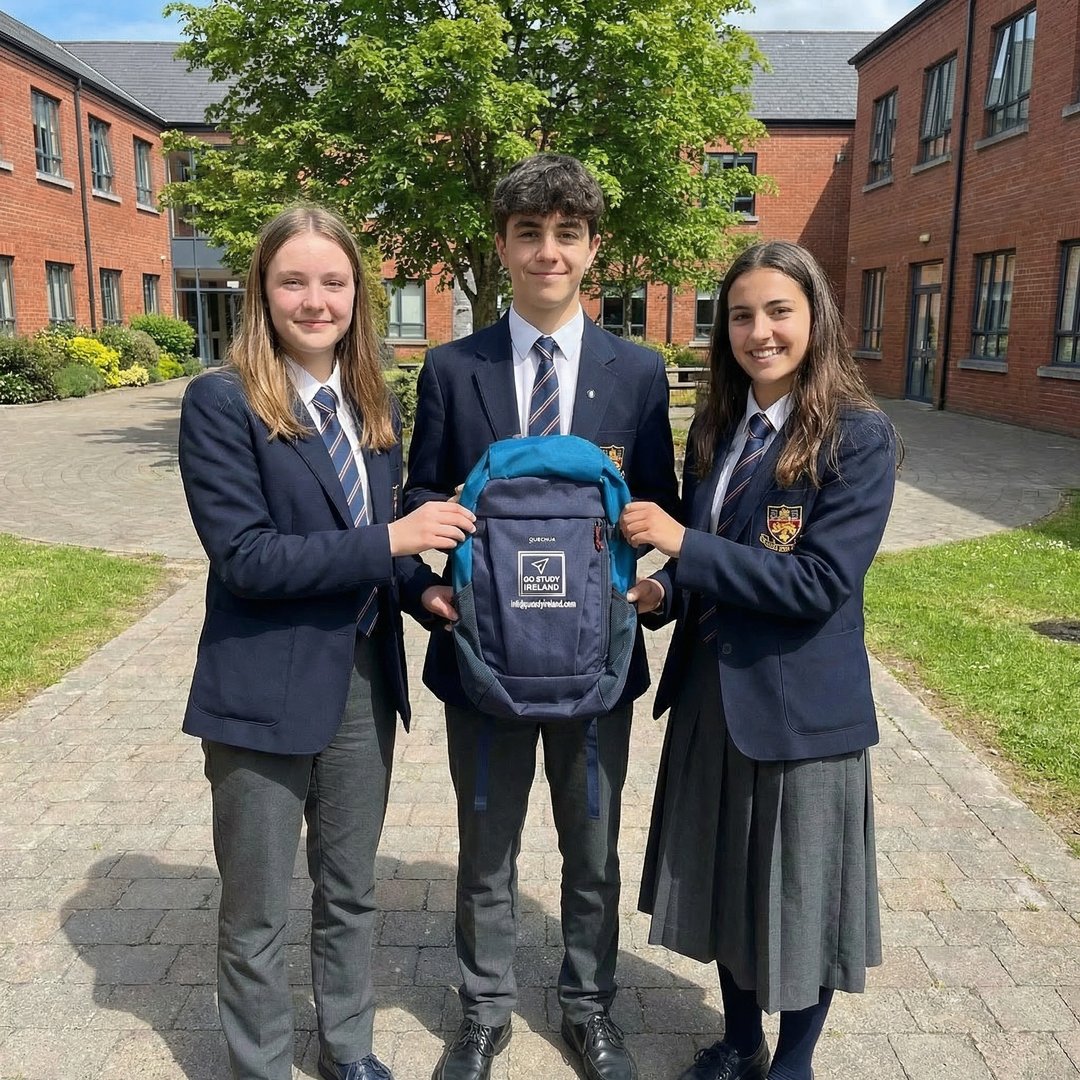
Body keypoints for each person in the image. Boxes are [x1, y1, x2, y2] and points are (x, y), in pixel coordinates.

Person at [178, 204, 476, 1080]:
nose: (315, 301)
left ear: (358, 295)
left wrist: (424, 591)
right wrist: (394, 542)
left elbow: (380, 545)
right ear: (261, 292)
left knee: (350, 890)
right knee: (258, 910)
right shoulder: (222, 402)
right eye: (294, 282)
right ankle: (262, 1066)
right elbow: (247, 557)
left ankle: (349, 1049)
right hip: (263, 690)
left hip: (363, 683)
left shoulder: (372, 405)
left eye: (334, 282)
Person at [405, 153, 679, 1080]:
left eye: (567, 233)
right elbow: (417, 492)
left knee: (590, 849)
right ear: (502, 245)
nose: (548, 252)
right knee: (487, 849)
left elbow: (661, 505)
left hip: (594, 665)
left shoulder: (639, 373)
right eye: (529, 233)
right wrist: (432, 576)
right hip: (485, 660)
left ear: (594, 247)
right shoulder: (454, 368)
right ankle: (484, 1012)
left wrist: (656, 587)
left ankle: (588, 1007)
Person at [620, 240, 897, 1080]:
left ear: (817, 318)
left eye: (779, 311)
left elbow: (818, 583)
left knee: (800, 897)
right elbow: (714, 555)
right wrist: (664, 590)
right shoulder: (717, 429)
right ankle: (741, 1043)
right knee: (726, 883)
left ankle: (792, 1064)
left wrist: (682, 544)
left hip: (800, 710)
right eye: (740, 315)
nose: (759, 331)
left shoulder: (858, 437)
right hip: (712, 696)